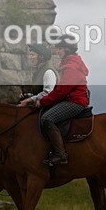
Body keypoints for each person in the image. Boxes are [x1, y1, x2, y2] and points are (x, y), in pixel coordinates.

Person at [31, 34, 89, 166]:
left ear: (67, 49)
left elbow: (62, 91)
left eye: (60, 49)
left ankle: (61, 155)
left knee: (47, 118)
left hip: (75, 102)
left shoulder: (71, 67)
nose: (57, 51)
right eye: (57, 49)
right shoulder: (69, 64)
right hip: (72, 99)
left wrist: (42, 101)